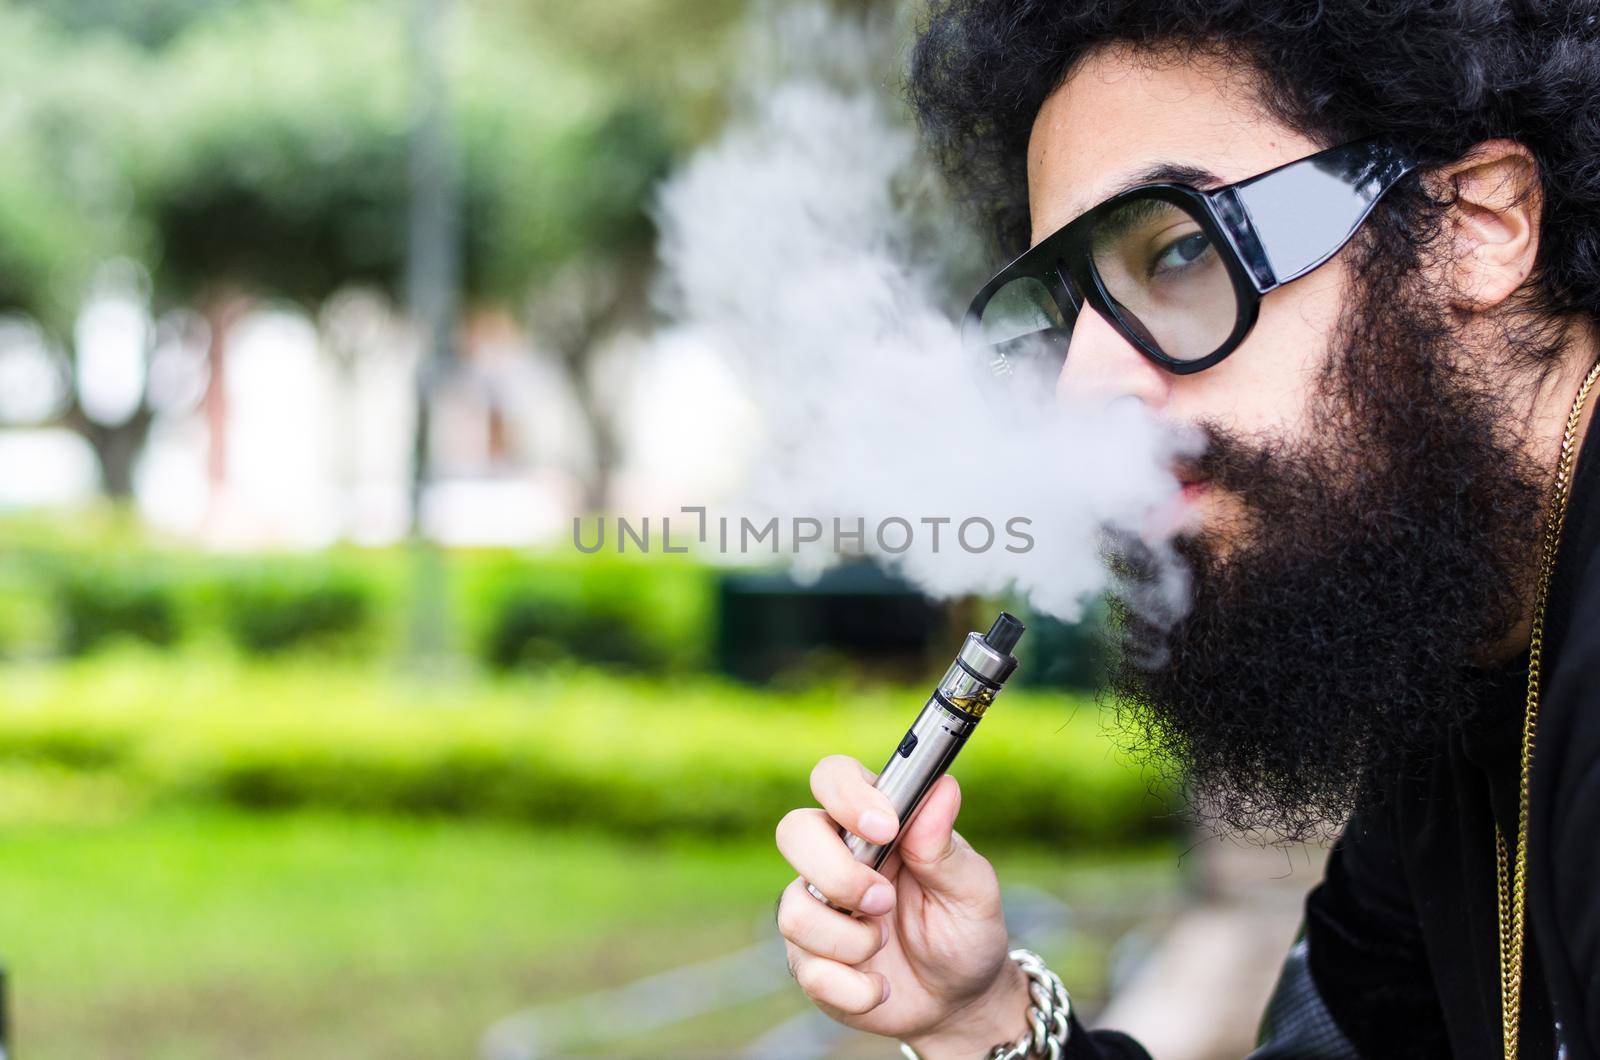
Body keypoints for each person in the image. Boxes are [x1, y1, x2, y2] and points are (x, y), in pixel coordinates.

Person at [772, 3, 1600, 1058]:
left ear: (1475, 226)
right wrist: (983, 1024)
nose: (1081, 392)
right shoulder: (1466, 669)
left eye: (1173, 253)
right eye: (1066, 313)